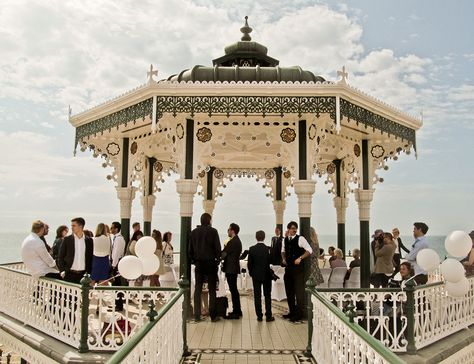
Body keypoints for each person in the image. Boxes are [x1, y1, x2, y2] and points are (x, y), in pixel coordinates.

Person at [189, 213, 222, 322]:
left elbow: (190, 250)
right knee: (212, 290)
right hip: (211, 263)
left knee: (198, 289)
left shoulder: (193, 233)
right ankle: (213, 315)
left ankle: (197, 315)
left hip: (199, 263)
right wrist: (217, 260)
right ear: (209, 221)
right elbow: (218, 248)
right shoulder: (213, 231)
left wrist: (194, 261)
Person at [281, 221, 313, 322]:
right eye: (292, 228)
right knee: (289, 292)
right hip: (288, 270)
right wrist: (283, 259)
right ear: (288, 229)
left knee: (299, 293)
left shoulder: (301, 239)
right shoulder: (285, 239)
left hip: (298, 271)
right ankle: (292, 312)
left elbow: (309, 250)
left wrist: (300, 258)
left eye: (295, 228)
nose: (294, 230)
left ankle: (299, 314)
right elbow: (283, 250)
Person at [248, 230, 274, 322]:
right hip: (266, 275)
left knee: (257, 296)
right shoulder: (268, 249)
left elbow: (249, 264)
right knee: (267, 295)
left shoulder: (251, 249)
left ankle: (259, 316)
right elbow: (271, 261)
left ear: (256, 237)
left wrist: (252, 273)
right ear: (264, 237)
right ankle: (268, 316)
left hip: (256, 275)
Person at [58, 217, 93, 284]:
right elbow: (60, 257)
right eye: (71, 226)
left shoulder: (89, 241)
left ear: (81, 226)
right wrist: (62, 271)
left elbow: (90, 258)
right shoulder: (67, 239)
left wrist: (89, 273)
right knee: (68, 294)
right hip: (69, 274)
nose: (72, 228)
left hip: (83, 276)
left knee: (82, 294)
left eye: (74, 226)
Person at [222, 223, 243, 319]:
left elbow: (223, 254)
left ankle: (236, 312)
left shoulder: (233, 242)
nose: (228, 231)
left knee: (233, 290)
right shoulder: (237, 241)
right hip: (233, 268)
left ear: (233, 230)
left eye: (229, 229)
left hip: (231, 269)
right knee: (234, 290)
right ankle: (237, 310)